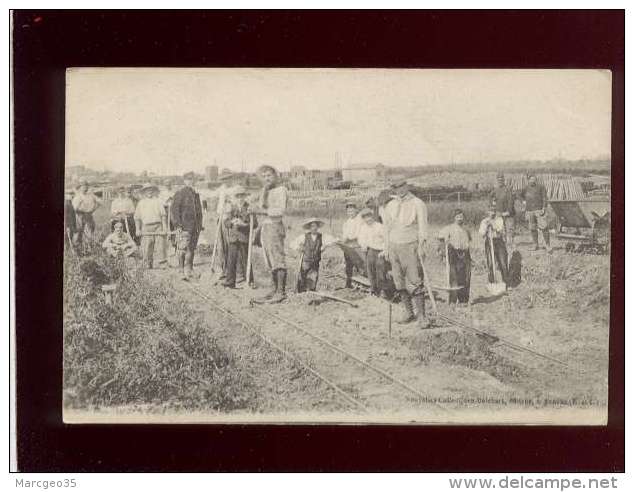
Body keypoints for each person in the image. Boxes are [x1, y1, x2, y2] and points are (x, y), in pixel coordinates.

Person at [381, 181, 431, 329]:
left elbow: (423, 227)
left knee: (415, 281)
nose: (399, 190)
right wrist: (386, 248)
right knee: (399, 282)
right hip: (394, 246)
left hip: (410, 246)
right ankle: (408, 312)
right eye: (396, 188)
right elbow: (386, 229)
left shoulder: (418, 203)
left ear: (407, 187)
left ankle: (422, 316)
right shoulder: (390, 205)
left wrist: (422, 246)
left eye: (402, 187)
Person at [251, 165, 289, 303]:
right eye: (264, 176)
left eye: (269, 175)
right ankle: (273, 289)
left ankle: (281, 291)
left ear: (275, 176)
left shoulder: (281, 190)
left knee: (277, 258)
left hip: (275, 226)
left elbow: (280, 210)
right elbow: (261, 206)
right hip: (265, 226)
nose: (267, 178)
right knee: (268, 258)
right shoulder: (264, 191)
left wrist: (262, 212)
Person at [171, 171, 204, 280]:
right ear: (184, 181)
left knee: (191, 249)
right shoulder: (180, 193)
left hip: (195, 227)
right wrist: (178, 225)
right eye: (188, 179)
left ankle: (189, 269)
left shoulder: (195, 194)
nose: (191, 181)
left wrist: (200, 224)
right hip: (184, 226)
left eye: (192, 179)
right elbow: (175, 211)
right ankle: (181, 270)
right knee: (182, 248)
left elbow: (199, 212)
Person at [222, 186, 256, 289]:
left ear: (245, 196)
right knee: (231, 260)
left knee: (246, 259)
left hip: (244, 237)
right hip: (233, 237)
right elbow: (226, 222)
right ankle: (230, 282)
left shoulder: (249, 208)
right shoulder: (232, 208)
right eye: (238, 196)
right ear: (235, 197)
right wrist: (231, 223)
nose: (240, 198)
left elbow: (255, 224)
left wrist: (244, 225)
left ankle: (250, 281)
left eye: (242, 196)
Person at [291, 218, 337, 293]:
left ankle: (311, 292)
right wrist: (299, 248)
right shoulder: (304, 236)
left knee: (314, 277)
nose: (314, 228)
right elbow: (293, 243)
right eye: (312, 226)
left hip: (315, 261)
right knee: (303, 277)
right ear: (309, 227)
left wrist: (324, 248)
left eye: (315, 226)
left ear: (318, 227)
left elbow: (332, 241)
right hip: (306, 261)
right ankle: (302, 292)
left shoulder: (322, 236)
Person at [437, 209, 472, 305]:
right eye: (458, 217)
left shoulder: (466, 229)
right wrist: (443, 253)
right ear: (454, 218)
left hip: (465, 253)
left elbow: (469, 240)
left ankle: (463, 300)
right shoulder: (448, 228)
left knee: (465, 277)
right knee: (454, 277)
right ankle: (453, 300)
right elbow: (440, 239)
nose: (460, 219)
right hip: (453, 254)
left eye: (461, 216)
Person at [357, 208, 392, 298]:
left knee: (380, 268)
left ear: (372, 216)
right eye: (365, 218)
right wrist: (363, 245)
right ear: (363, 219)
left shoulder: (379, 226)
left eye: (369, 217)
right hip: (371, 250)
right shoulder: (363, 227)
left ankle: (383, 290)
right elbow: (361, 239)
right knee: (369, 268)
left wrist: (385, 251)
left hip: (381, 251)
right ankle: (373, 289)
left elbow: (387, 240)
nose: (368, 219)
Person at [134, 185, 167, 269]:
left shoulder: (158, 201)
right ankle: (148, 263)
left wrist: (165, 228)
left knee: (161, 245)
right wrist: (138, 229)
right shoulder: (141, 203)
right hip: (146, 226)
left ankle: (162, 263)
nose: (149, 192)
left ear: (154, 191)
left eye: (151, 190)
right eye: (147, 190)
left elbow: (163, 215)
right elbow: (137, 217)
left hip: (158, 225)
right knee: (147, 246)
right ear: (144, 192)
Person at [479, 202, 509, 286]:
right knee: (490, 263)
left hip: (498, 241)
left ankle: (506, 282)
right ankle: (492, 282)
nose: (492, 212)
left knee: (502, 262)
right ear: (487, 212)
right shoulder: (484, 221)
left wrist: (492, 224)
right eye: (490, 211)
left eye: (493, 210)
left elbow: (500, 230)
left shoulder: (499, 219)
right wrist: (486, 227)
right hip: (489, 242)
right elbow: (481, 233)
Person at [520, 174, 551, 252]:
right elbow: (520, 195)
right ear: (528, 180)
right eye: (531, 179)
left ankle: (547, 245)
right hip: (529, 210)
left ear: (536, 180)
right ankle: (535, 245)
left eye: (534, 179)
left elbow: (544, 198)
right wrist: (523, 201)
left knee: (544, 227)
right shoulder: (526, 188)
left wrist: (544, 208)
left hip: (539, 210)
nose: (532, 181)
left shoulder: (541, 187)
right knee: (532, 228)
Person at [340, 202, 365, 288]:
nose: (350, 213)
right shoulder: (346, 223)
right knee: (348, 264)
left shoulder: (360, 220)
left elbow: (359, 234)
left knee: (360, 263)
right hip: (348, 246)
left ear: (356, 210)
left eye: (352, 211)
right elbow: (344, 235)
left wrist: (350, 238)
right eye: (349, 211)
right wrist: (342, 241)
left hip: (357, 245)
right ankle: (348, 282)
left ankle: (362, 281)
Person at [72, 178, 101, 249]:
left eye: (86, 186)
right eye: (83, 186)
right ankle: (77, 247)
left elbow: (100, 202)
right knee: (79, 231)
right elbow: (75, 208)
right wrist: (81, 209)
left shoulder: (91, 195)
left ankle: (88, 246)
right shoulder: (78, 196)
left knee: (90, 230)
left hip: (89, 215)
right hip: (80, 215)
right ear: (80, 187)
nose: (85, 188)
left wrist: (93, 209)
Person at [490, 171, 516, 249]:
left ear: (504, 180)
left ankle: (511, 246)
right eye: (499, 179)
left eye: (501, 179)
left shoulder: (508, 189)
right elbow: (490, 199)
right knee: (500, 230)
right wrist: (492, 208)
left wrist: (508, 211)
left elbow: (511, 201)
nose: (500, 180)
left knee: (509, 230)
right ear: (497, 180)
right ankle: (503, 247)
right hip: (499, 213)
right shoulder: (495, 190)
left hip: (508, 214)